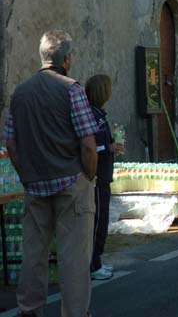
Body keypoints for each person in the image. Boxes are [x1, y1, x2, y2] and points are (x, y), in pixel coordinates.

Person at [3, 30, 98, 317]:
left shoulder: (20, 92)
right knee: (74, 260)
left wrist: (25, 173)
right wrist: (88, 177)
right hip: (71, 182)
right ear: (67, 59)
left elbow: (10, 141)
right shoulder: (72, 89)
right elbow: (88, 144)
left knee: (34, 254)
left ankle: (29, 311)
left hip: (35, 183)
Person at [85, 75, 124, 281]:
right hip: (97, 177)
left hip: (103, 176)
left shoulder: (99, 114)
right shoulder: (93, 116)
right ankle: (92, 265)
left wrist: (111, 147)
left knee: (102, 221)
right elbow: (88, 148)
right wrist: (107, 147)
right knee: (97, 222)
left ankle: (96, 261)